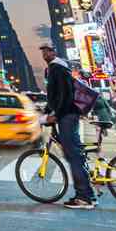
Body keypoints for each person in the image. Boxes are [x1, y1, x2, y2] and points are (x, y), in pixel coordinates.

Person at [39, 43, 95, 209]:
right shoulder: (54, 68)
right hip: (67, 115)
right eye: (43, 51)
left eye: (48, 51)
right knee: (74, 154)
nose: (44, 54)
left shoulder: (57, 68)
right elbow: (54, 96)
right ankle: (88, 194)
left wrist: (56, 114)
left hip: (67, 116)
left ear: (54, 52)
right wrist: (47, 111)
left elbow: (64, 94)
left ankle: (84, 197)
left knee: (73, 155)